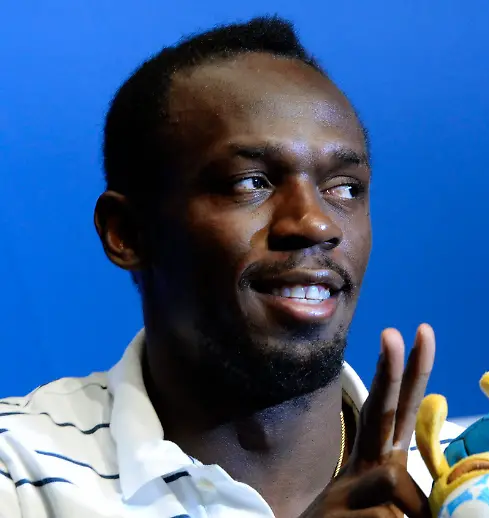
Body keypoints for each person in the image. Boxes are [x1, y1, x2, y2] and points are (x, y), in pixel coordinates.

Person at [0, 16, 464, 518]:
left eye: (345, 188)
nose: (315, 223)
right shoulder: (17, 468)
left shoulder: (474, 480)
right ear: (127, 233)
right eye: (250, 182)